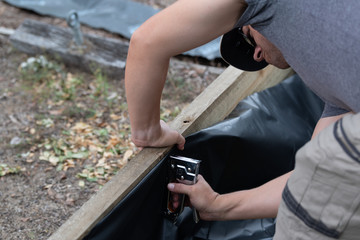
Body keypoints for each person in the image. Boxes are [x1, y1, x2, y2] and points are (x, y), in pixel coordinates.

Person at [125, 0, 360, 239]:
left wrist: (148, 132)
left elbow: (147, 41)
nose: (258, 53)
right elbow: (311, 182)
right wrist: (216, 205)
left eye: (249, 36)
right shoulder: (337, 98)